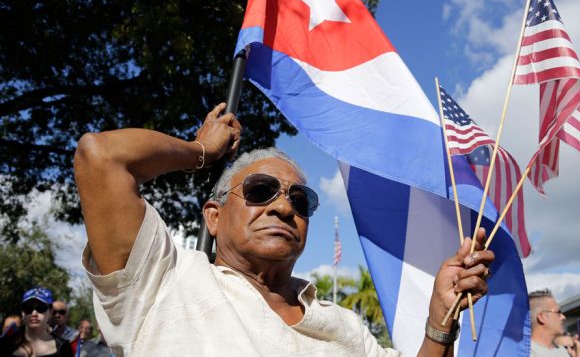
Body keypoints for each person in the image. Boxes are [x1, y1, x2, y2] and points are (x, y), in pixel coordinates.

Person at [74, 103, 495, 356]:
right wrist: (203, 151)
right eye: (260, 190)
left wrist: (440, 321)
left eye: (299, 201)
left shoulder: (344, 324)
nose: (282, 207)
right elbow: (101, 157)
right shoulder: (163, 281)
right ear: (214, 217)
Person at [0, 287, 72, 356]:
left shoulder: (63, 347)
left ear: (50, 312)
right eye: (28, 308)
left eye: (41, 308)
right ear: (23, 313)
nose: (34, 314)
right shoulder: (5, 344)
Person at [529, 289, 580, 357]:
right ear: (542, 317)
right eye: (558, 312)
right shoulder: (525, 353)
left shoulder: (562, 351)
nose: (563, 317)